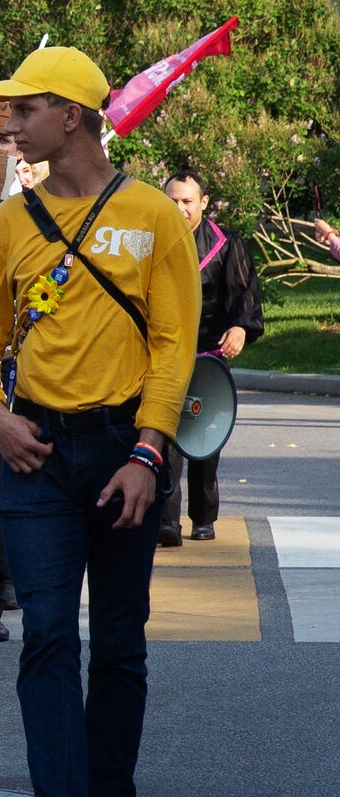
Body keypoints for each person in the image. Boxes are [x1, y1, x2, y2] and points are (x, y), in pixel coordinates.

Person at [0, 46, 201, 797]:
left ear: (77, 115)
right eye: (8, 111)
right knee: (48, 636)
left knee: (120, 645)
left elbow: (175, 346)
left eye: (25, 110)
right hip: (36, 455)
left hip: (125, 452)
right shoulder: (8, 226)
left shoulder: (156, 217)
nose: (9, 125)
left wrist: (147, 449)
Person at [160, 168, 263, 545]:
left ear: (203, 203)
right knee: (165, 435)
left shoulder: (225, 244)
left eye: (187, 201)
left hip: (208, 355)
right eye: (172, 200)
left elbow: (245, 294)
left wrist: (240, 328)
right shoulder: (153, 241)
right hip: (166, 353)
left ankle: (203, 517)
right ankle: (166, 521)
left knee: (204, 436)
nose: (180, 208)